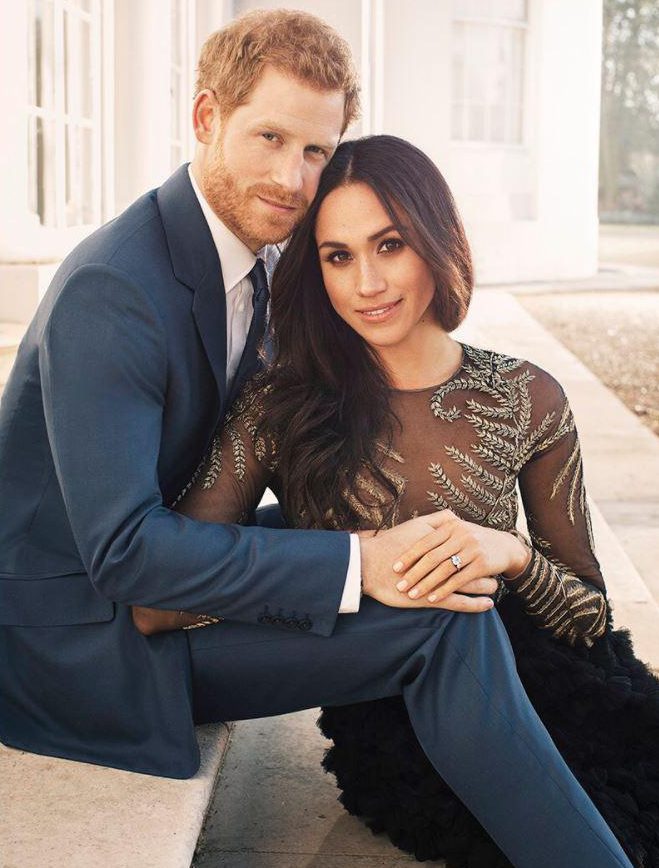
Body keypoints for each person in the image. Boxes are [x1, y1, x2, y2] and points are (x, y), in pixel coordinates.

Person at [0, 10, 493, 781]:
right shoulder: (113, 289)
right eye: (269, 138)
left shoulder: (259, 258)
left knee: (430, 550)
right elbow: (124, 552)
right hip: (78, 645)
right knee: (444, 625)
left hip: (165, 577)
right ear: (206, 117)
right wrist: (357, 563)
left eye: (314, 151)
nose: (292, 179)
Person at [132, 135, 645, 868]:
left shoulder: (526, 397)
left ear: (436, 243)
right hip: (402, 724)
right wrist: (334, 572)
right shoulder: (282, 408)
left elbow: (590, 611)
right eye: (338, 256)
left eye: (390, 244)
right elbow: (171, 584)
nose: (366, 282)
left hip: (557, 693)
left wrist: (512, 554)